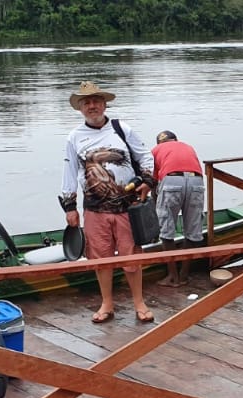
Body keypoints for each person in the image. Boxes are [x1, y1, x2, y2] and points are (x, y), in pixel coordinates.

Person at [59, 81, 156, 324]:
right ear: (80, 108)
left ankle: (139, 302)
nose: (92, 106)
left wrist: (147, 180)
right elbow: (69, 172)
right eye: (87, 102)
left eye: (96, 101)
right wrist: (69, 207)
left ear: (104, 104)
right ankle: (107, 304)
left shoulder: (121, 128)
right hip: (94, 209)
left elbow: (145, 155)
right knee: (101, 260)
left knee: (132, 257)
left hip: (127, 207)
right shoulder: (74, 137)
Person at [150, 130, 205, 287]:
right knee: (193, 232)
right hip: (196, 182)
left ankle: (172, 276)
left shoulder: (155, 150)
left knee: (166, 232)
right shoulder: (188, 146)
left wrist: (155, 206)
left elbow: (153, 182)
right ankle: (184, 275)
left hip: (172, 180)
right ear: (176, 139)